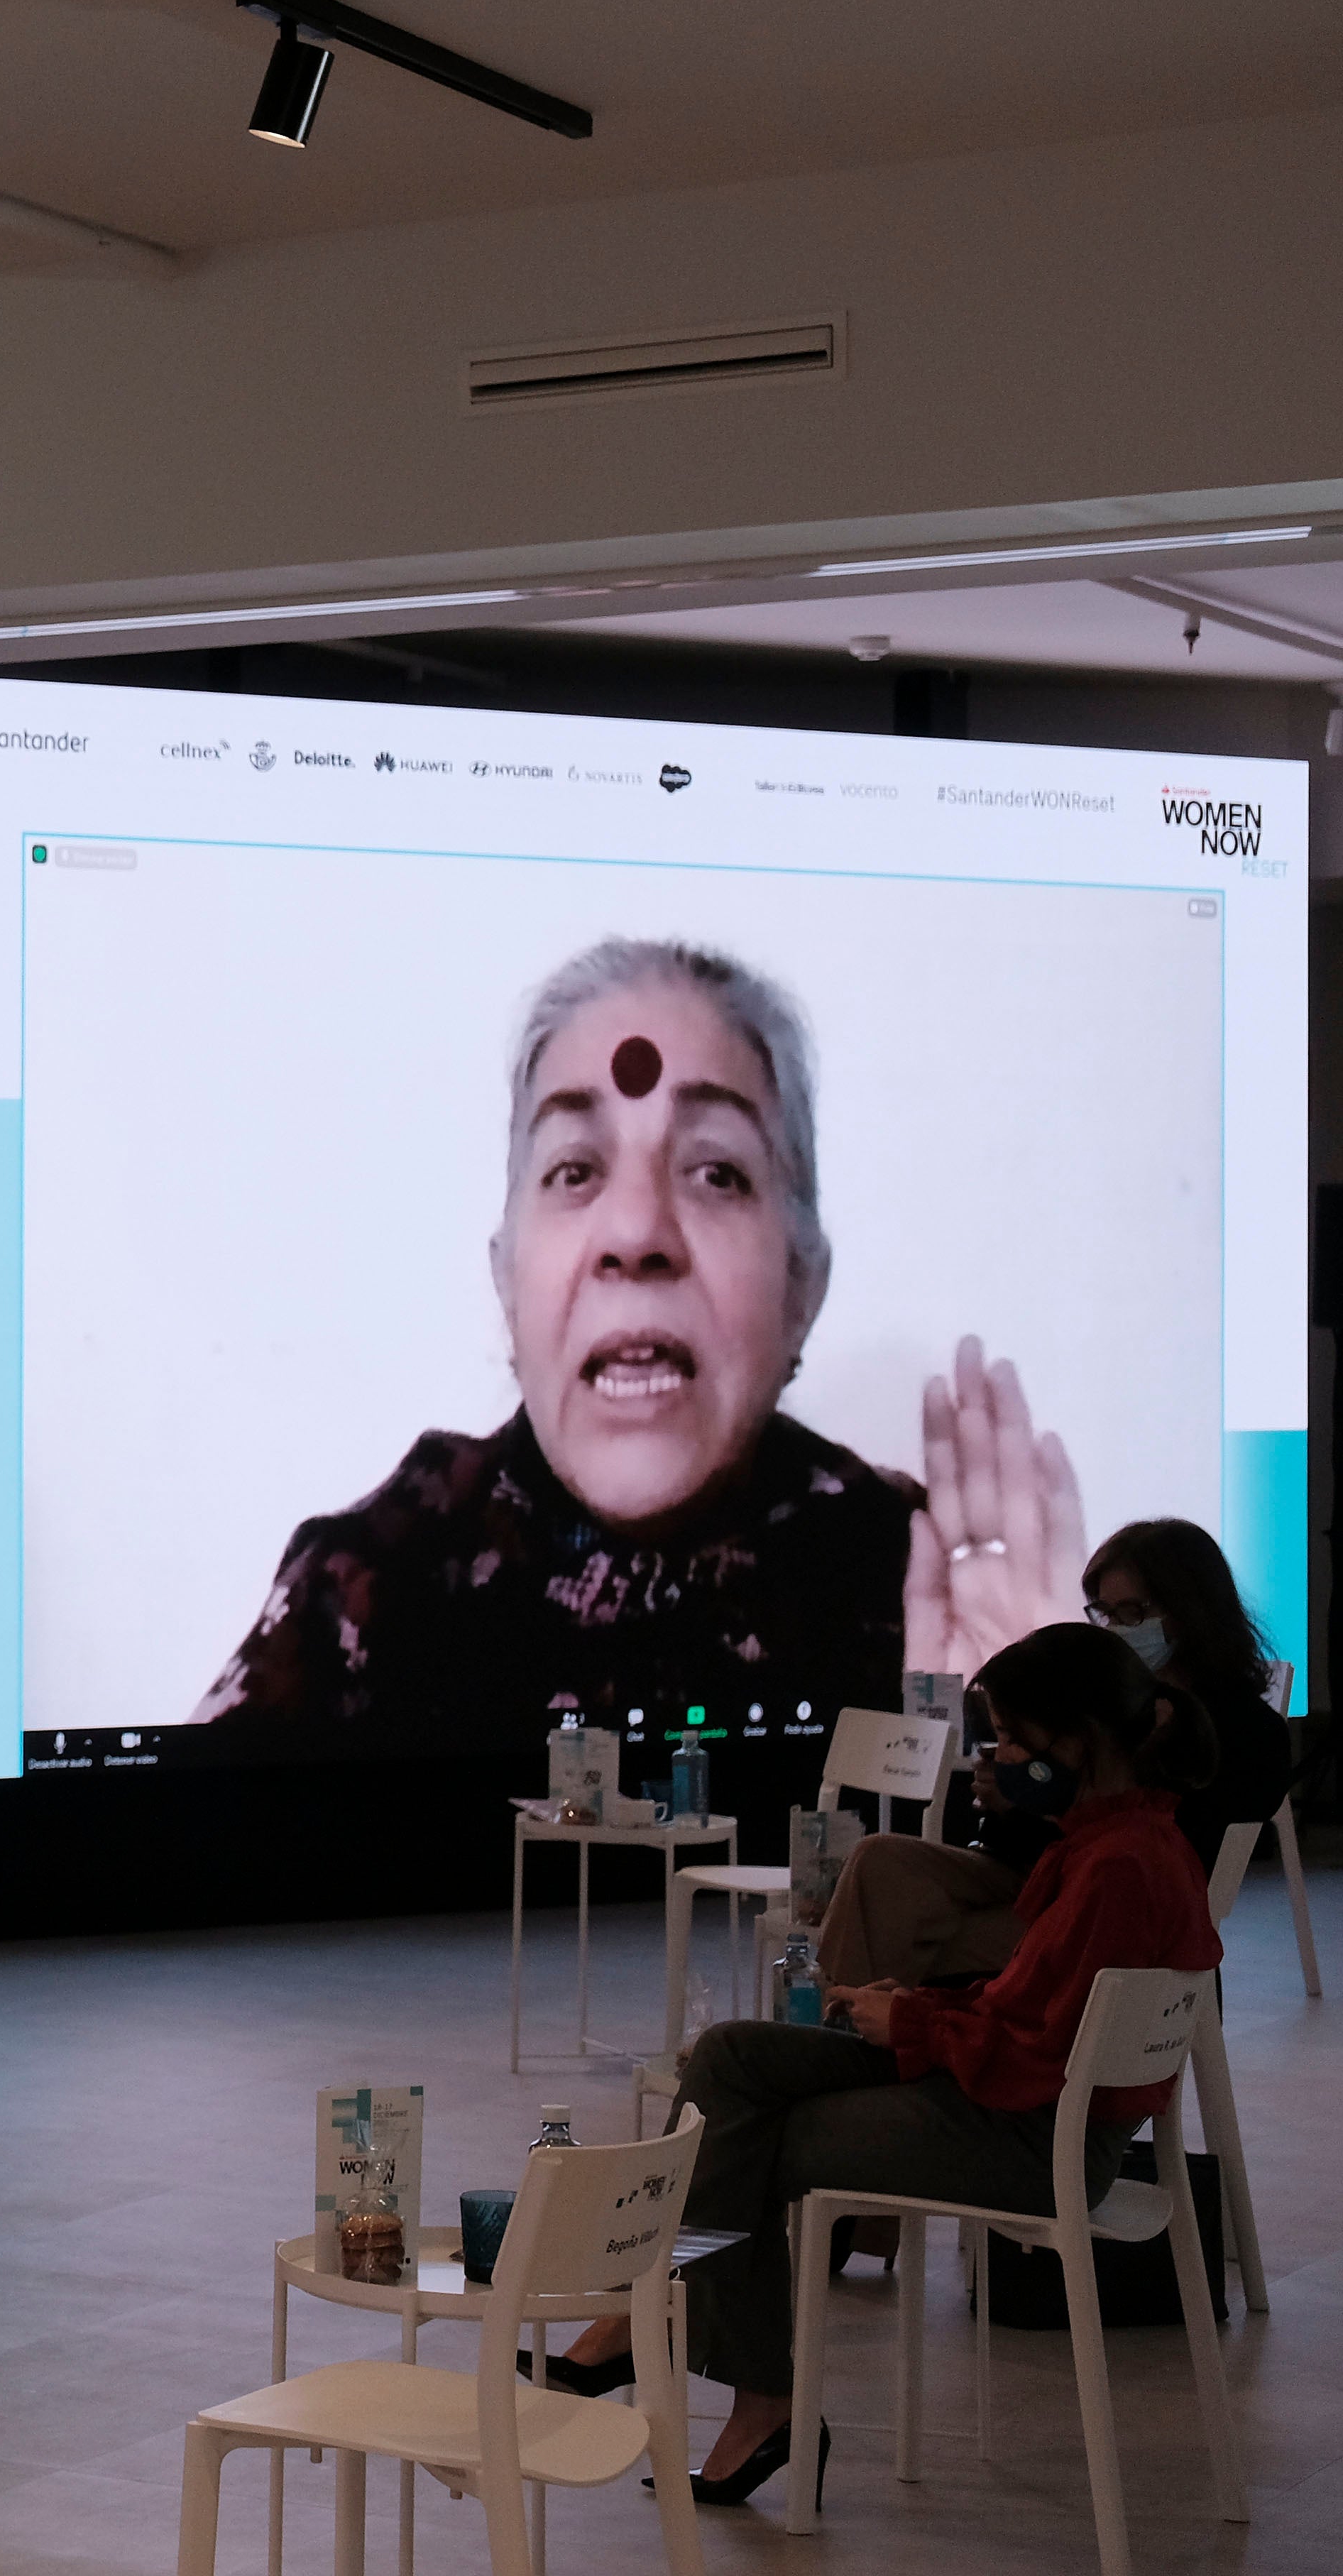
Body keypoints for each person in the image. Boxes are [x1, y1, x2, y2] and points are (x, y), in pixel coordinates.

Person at [196, 936, 1078, 1742]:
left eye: (716, 1172)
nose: (635, 1231)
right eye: (574, 1170)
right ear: (507, 1283)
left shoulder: (923, 1591)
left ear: (802, 1286)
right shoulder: (366, 1591)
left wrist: (1034, 1754)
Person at [525, 1621, 1220, 2499]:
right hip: (1012, 2102)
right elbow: (1033, 2010)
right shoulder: (1110, 1845)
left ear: (1074, 1741)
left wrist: (920, 2027)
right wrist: (920, 2006)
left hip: (1034, 2137)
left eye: (1010, 1737)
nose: (998, 1754)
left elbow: (1043, 2056)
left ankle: (725, 2367)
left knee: (745, 2135)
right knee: (731, 2057)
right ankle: (676, 2327)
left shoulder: (1118, 1866)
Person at [818, 1514, 1294, 1987]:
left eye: (1133, 1613)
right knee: (880, 1862)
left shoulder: (1246, 1730)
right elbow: (1024, 1834)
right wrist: (1012, 1793)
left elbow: (1168, 1846)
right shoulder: (1100, 1693)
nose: (1118, 1630)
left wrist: (1047, 1799)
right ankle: (861, 2040)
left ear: (1191, 1611)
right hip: (1030, 1874)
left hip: (1111, 1904)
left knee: (901, 1933)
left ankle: (846, 2044)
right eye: (1106, 1615)